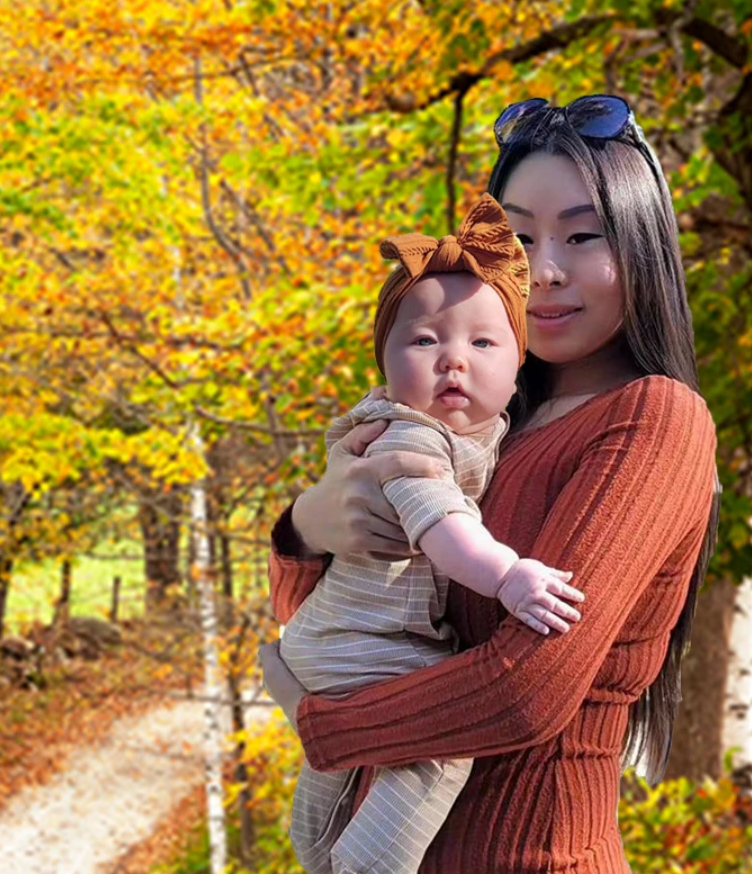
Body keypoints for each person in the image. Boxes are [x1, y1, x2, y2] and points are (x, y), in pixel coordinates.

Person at [260, 94, 721, 873]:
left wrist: (322, 726)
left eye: (582, 236)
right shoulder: (477, 425)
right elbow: (329, 618)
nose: (544, 271)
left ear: (641, 245)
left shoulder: (653, 418)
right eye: (520, 239)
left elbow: (527, 690)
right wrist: (307, 525)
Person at [277, 194, 586, 874]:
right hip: (367, 642)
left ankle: (317, 850)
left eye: (482, 343)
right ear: (384, 364)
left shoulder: (482, 432)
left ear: (518, 364)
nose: (454, 361)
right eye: (424, 341)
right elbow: (445, 528)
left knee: (340, 766)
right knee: (439, 744)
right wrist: (509, 576)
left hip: (334, 641)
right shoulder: (410, 440)